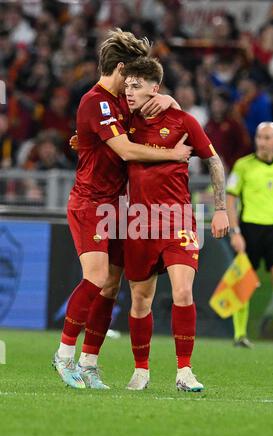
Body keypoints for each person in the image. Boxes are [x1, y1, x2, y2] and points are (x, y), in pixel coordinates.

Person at [53, 29, 191, 390]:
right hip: (90, 202)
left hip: (117, 206)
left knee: (111, 287)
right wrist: (171, 154)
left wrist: (171, 101)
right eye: (130, 76)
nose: (133, 85)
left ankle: (89, 363)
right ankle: (64, 354)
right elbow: (127, 151)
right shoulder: (96, 101)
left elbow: (154, 116)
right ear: (118, 68)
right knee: (96, 277)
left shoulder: (120, 102)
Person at [121, 57, 229, 391]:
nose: (128, 92)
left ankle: (184, 371)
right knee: (141, 301)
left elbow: (213, 159)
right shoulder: (125, 123)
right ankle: (141, 371)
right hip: (139, 223)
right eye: (126, 86)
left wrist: (222, 208)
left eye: (136, 86)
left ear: (155, 88)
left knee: (183, 291)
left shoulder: (182, 120)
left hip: (178, 219)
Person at [226, 122, 273, 349]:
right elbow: (230, 199)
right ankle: (240, 336)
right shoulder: (243, 166)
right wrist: (235, 231)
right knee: (244, 283)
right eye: (260, 137)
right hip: (249, 229)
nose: (263, 141)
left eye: (268, 137)